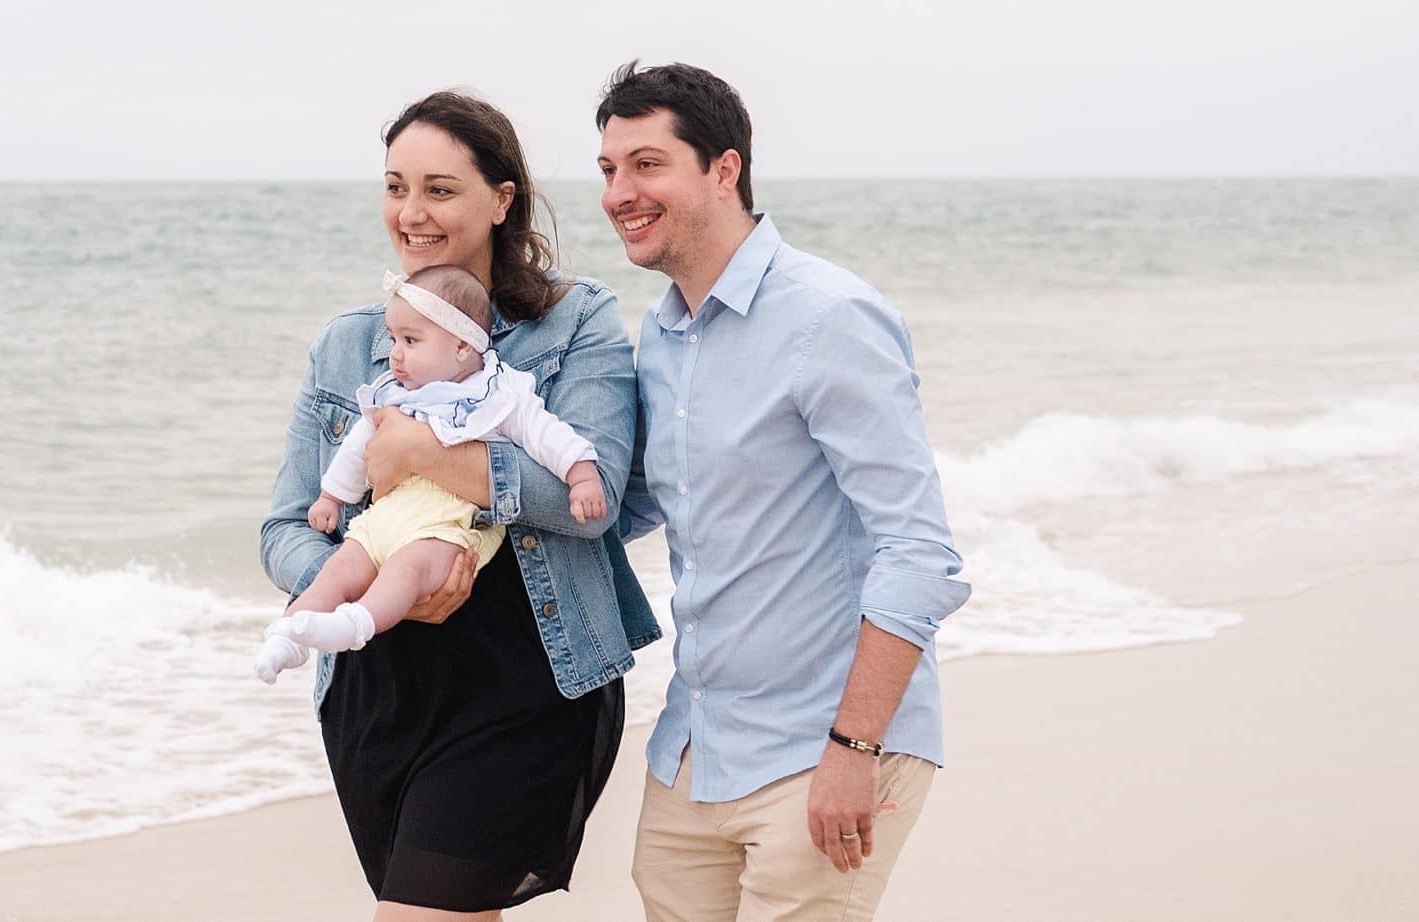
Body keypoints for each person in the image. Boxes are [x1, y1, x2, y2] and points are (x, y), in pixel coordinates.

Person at [259, 89, 658, 921]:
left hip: (528, 682)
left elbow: (597, 499)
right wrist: (356, 575)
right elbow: (286, 528)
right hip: (378, 688)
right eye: (396, 187)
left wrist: (431, 457)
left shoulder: (574, 323)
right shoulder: (348, 344)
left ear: (501, 199)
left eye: (439, 189)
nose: (411, 213)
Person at [599, 61, 972, 921]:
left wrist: (853, 748)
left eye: (647, 164)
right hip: (696, 748)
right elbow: (652, 500)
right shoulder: (662, 333)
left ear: (723, 170)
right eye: (610, 170)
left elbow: (920, 553)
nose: (621, 192)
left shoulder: (829, 316)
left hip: (825, 745)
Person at [254, 265, 607, 682]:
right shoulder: (393, 392)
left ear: (461, 346)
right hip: (385, 517)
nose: (395, 354)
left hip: (444, 526)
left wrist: (581, 474)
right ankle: (288, 636)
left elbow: (545, 433)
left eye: (411, 341)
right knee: (338, 569)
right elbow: (355, 449)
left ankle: (357, 623)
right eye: (393, 339)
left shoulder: (495, 392)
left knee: (406, 571)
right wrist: (332, 496)